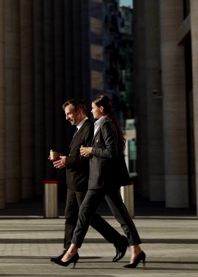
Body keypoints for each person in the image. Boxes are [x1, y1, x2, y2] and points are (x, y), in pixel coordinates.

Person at [54, 95, 146, 269]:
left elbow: (112, 152)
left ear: (101, 109)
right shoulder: (100, 125)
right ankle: (135, 249)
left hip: (102, 179)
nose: (91, 110)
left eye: (93, 107)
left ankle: (72, 251)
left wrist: (91, 150)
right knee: (118, 216)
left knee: (86, 215)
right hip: (100, 179)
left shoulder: (106, 125)